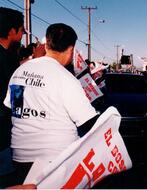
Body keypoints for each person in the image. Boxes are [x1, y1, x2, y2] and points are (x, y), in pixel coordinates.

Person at [4, 23, 98, 185]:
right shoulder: (66, 79)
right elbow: (88, 122)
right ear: (71, 49)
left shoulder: (20, 72)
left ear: (46, 44)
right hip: (56, 161)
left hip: (19, 158)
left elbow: (12, 108)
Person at [0, 7, 24, 188]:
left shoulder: (7, 56)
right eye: (21, 29)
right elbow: (16, 100)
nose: (23, 34)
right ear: (11, 32)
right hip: (3, 137)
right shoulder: (6, 60)